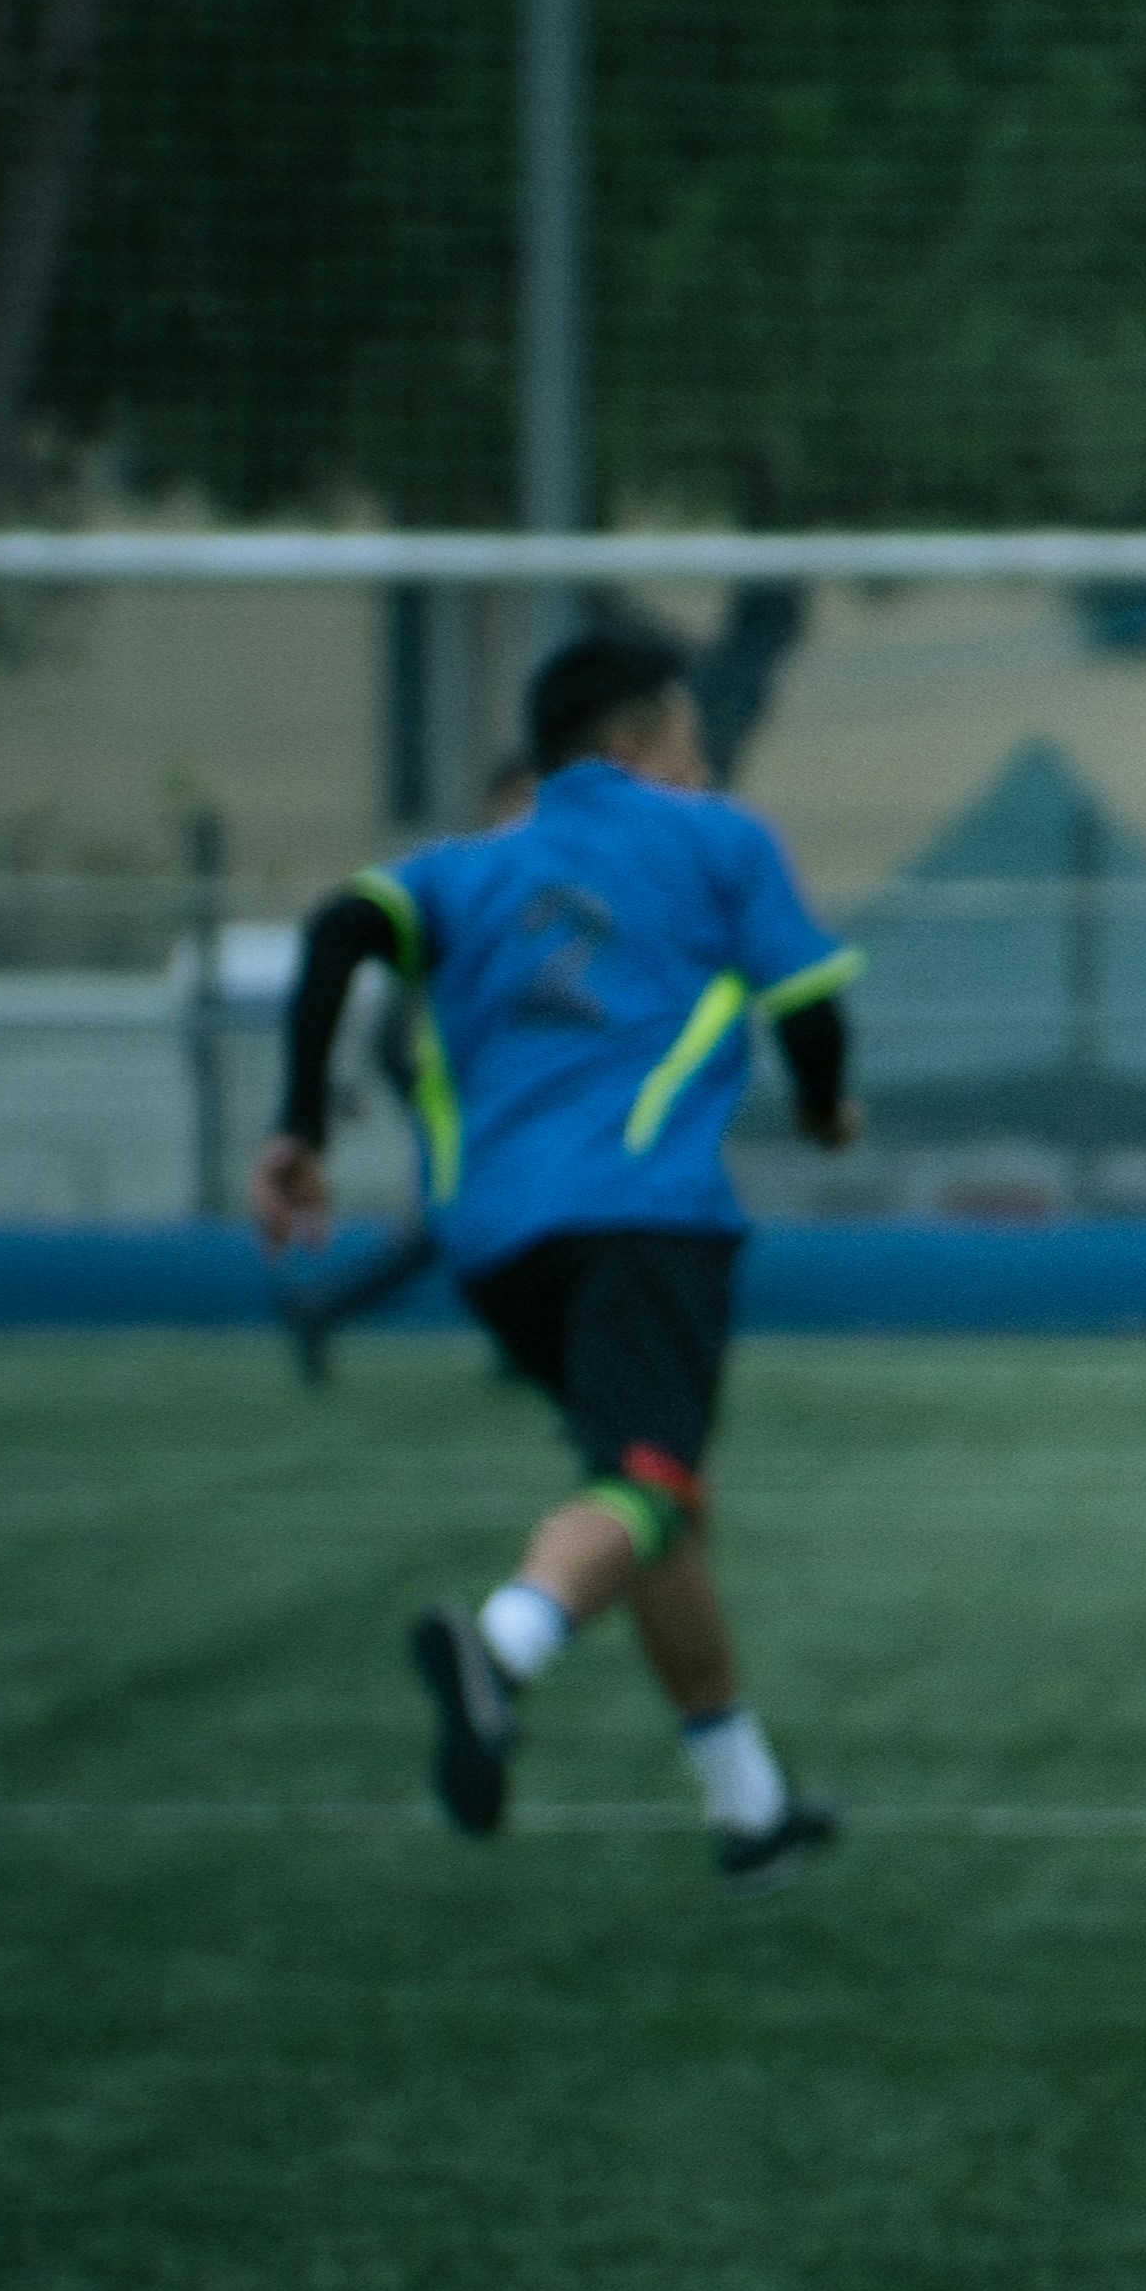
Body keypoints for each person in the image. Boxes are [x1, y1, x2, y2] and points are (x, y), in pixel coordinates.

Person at [251, 624, 852, 1888]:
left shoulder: (472, 868)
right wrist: (825, 1111)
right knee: (648, 1478)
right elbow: (812, 1010)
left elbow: (334, 931)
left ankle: (748, 1807)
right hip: (646, 1220)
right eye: (689, 733)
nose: (703, 758)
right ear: (631, 743)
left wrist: (299, 1125)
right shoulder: (717, 840)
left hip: (494, 1248)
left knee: (654, 1505)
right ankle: (504, 1649)